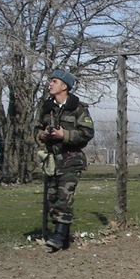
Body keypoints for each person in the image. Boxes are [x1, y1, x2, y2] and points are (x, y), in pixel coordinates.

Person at [36, 69, 94, 251]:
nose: (50, 84)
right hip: (53, 160)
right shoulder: (47, 108)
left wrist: (64, 135)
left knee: (64, 198)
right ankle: (64, 238)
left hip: (71, 159)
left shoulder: (78, 109)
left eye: (54, 81)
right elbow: (36, 129)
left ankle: (58, 237)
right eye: (50, 81)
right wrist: (43, 135)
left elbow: (87, 133)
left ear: (64, 86)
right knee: (52, 198)